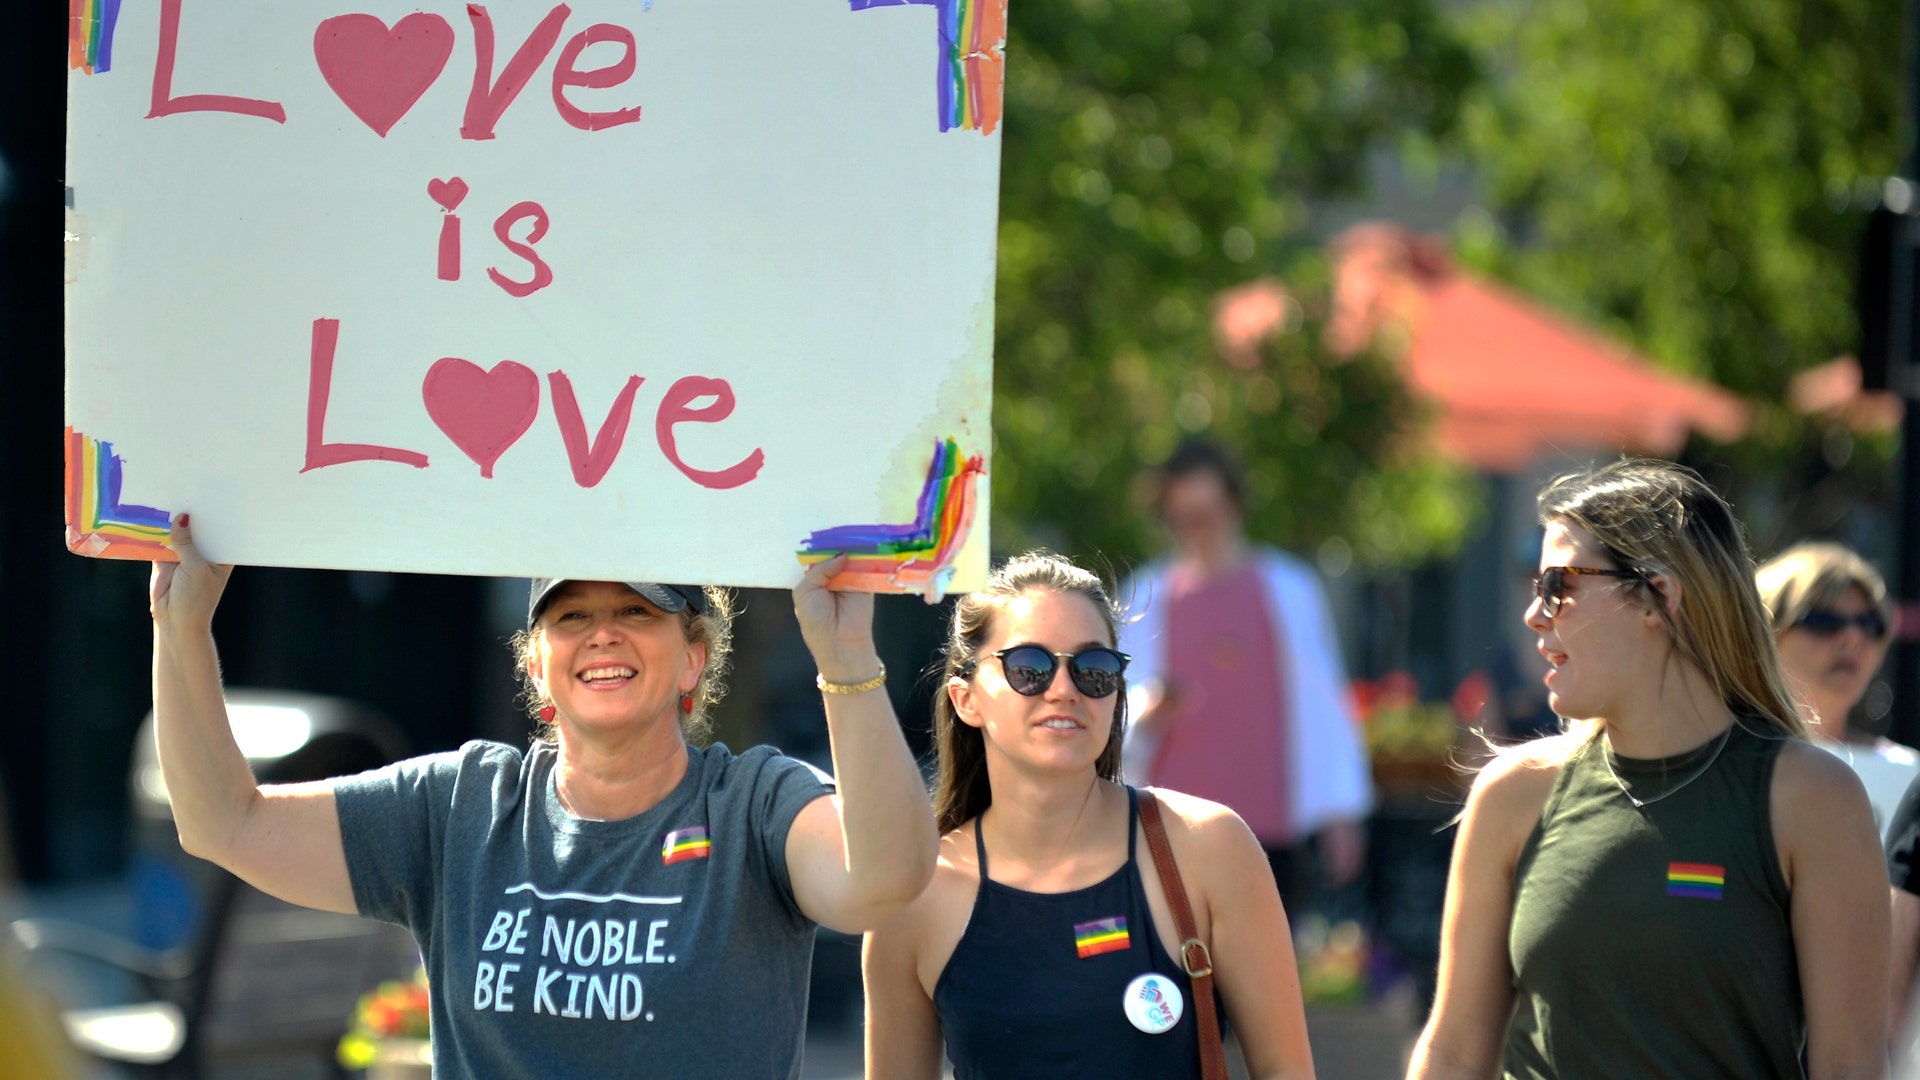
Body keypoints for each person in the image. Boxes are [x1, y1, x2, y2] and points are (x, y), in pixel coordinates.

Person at [149, 515, 936, 1077]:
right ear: (536, 667)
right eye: (572, 616)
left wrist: (847, 656)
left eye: (637, 611)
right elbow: (224, 821)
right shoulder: (459, 805)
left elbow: (886, 876)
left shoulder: (754, 804)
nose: (603, 633)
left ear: (694, 659)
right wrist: (179, 627)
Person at [1409, 459, 1890, 1080]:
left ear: (1658, 598)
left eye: (1559, 587)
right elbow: (1451, 1054)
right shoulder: (1513, 795)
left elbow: (1851, 1068)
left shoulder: (1811, 798)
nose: (1534, 615)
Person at [862, 552, 1316, 1079]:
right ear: (966, 700)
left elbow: (1287, 1070)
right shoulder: (914, 897)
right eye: (1028, 667)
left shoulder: (1207, 848)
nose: (1063, 689)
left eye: (1093, 669)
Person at [1118, 438, 1372, 913]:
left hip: (1269, 830)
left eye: (1207, 513)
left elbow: (1322, 703)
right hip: (1169, 830)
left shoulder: (1290, 589)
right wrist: (1149, 711)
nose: (1197, 529)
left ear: (1234, 505)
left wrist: (1340, 814)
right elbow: (1117, 711)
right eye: (1183, 516)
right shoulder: (1143, 594)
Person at [1757, 541, 1919, 839]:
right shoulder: (1728, 764)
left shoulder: (1911, 773)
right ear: (1763, 632)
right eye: (1823, 621)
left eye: (1870, 624)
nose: (1853, 638)